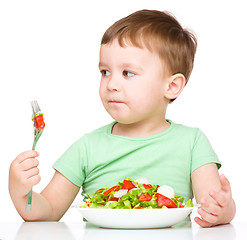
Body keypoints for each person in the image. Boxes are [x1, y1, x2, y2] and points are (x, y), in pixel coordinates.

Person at [9, 9, 236, 227]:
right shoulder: (87, 147)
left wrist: (224, 211)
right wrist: (20, 192)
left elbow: (211, 205)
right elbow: (47, 212)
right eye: (105, 72)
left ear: (172, 86)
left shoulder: (192, 143)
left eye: (128, 73)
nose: (111, 84)